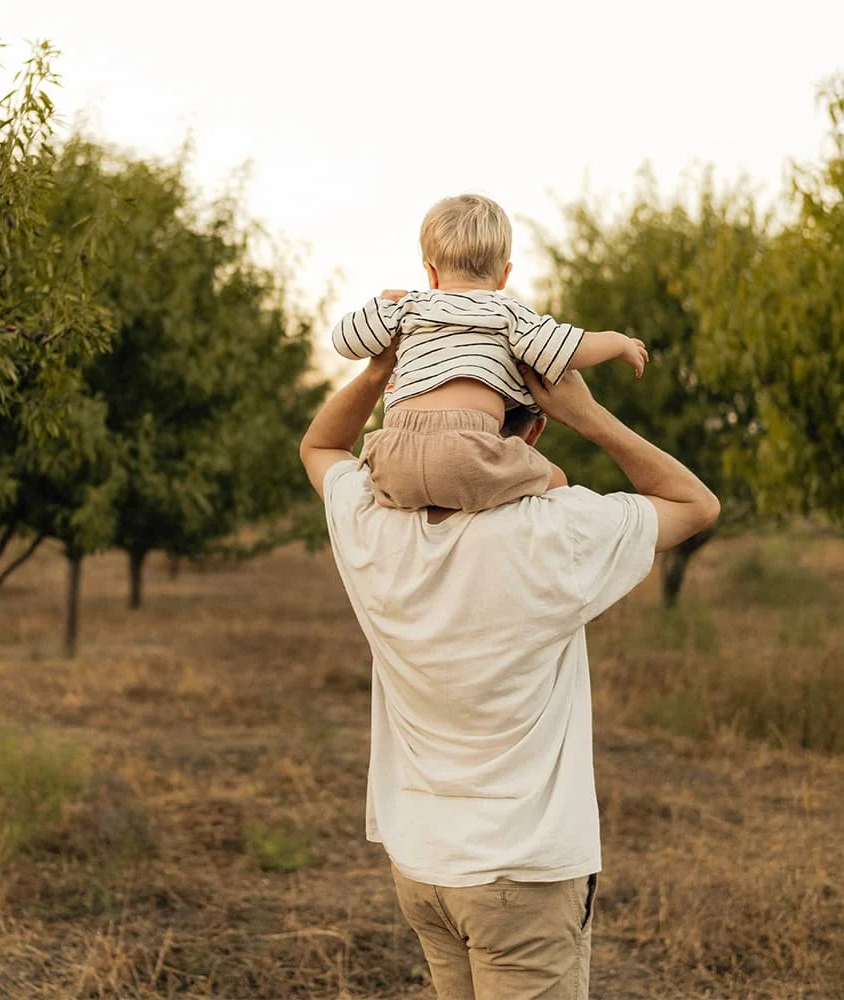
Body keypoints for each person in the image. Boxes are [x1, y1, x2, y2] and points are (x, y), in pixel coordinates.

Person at [298, 345, 719, 1000]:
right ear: (534, 429)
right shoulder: (555, 533)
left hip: (423, 867)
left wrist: (379, 370)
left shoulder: (371, 525)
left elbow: (320, 448)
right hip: (520, 876)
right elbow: (695, 505)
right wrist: (592, 416)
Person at [331, 193, 647, 513]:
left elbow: (345, 342)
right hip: (469, 453)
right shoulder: (506, 312)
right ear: (504, 276)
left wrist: (380, 306)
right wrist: (617, 342)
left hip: (393, 453)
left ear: (431, 272)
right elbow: (564, 347)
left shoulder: (409, 307)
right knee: (556, 479)